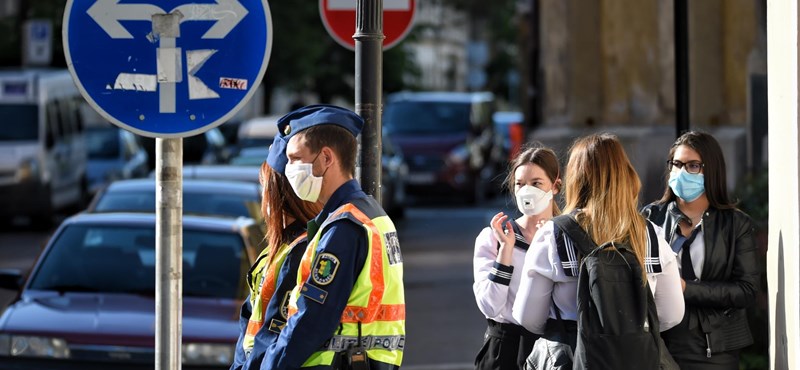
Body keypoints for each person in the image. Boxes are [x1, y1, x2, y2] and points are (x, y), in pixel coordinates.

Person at [511, 133, 685, 361]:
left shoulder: (553, 235)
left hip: (573, 356)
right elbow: (672, 314)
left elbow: (528, 318)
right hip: (635, 357)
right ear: (625, 175)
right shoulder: (651, 235)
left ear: (576, 178)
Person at [261, 105, 405, 370]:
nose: (289, 169)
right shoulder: (372, 214)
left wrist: (270, 365)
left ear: (326, 158)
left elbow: (311, 319)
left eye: (295, 159)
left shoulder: (344, 226)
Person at [641, 131, 759, 369]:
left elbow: (746, 291)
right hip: (659, 344)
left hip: (713, 349)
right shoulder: (651, 217)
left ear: (711, 170)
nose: (683, 172)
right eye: (677, 164)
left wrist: (686, 288)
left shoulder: (736, 224)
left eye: (693, 165)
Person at [472, 145, 561, 370]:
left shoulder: (566, 236)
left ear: (555, 187)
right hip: (506, 348)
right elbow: (489, 307)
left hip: (553, 347)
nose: (526, 191)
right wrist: (506, 250)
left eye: (536, 183)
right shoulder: (493, 238)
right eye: (520, 184)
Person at [230, 161, 322, 370]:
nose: (262, 201)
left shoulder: (299, 250)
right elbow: (248, 321)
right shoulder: (275, 251)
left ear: (278, 197)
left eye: (265, 190)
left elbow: (275, 333)